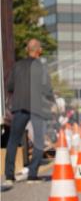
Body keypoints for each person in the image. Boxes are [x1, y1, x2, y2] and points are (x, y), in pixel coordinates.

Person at [3, 39, 56, 186]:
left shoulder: (17, 66)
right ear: (39, 51)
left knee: (13, 140)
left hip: (19, 106)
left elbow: (10, 86)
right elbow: (47, 89)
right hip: (37, 107)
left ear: (27, 50)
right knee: (39, 140)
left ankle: (9, 176)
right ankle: (32, 175)